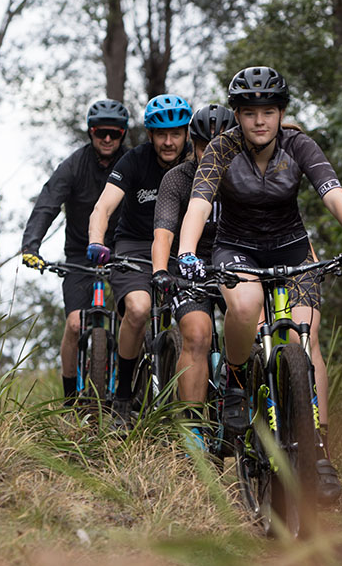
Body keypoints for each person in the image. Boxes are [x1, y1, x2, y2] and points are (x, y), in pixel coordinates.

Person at [176, 66, 342, 503]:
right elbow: (198, 203)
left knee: (305, 339)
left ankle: (319, 450)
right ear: (237, 116)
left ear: (281, 112)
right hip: (236, 248)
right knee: (246, 306)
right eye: (250, 113)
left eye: (268, 111)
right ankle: (234, 381)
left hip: (292, 249)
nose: (260, 121)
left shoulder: (299, 144)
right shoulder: (221, 148)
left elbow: (333, 194)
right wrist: (188, 252)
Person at [87, 94, 192, 426]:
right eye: (161, 134)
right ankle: (121, 396)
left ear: (187, 133)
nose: (169, 141)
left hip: (178, 248)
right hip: (133, 246)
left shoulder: (196, 162)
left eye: (176, 133)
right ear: (150, 135)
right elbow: (102, 208)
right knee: (137, 308)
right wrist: (95, 241)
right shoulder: (133, 161)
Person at [21, 99, 130, 406]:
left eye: (114, 133)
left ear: (123, 133)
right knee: (74, 324)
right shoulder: (73, 166)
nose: (107, 139)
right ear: (90, 132)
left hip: (123, 251)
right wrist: (31, 246)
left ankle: (129, 392)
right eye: (100, 132)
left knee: (133, 317)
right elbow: (47, 204)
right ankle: (70, 398)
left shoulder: (132, 162)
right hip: (80, 255)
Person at [151, 104, 236, 444]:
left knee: (257, 326)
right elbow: (164, 234)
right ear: (193, 144)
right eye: (205, 146)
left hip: (236, 262)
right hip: (191, 267)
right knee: (199, 334)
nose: (213, 152)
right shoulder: (177, 179)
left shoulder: (250, 177)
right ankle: (193, 433)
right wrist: (160, 270)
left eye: (223, 144)